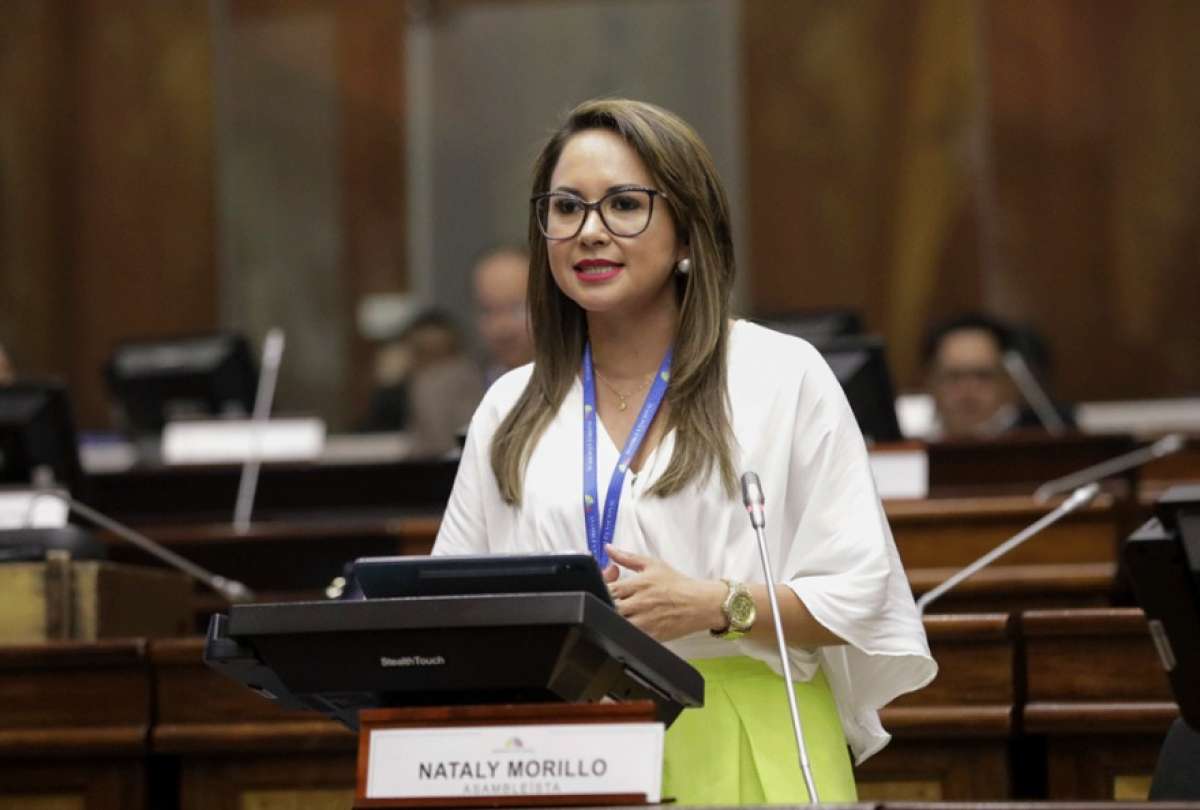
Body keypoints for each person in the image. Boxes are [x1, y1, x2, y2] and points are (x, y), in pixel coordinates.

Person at [433, 99, 935, 803]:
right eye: (567, 208)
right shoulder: (509, 406)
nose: (591, 232)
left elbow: (861, 598)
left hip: (740, 729)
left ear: (689, 234)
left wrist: (716, 604)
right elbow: (448, 605)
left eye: (625, 205)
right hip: (557, 747)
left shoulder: (780, 375)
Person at [922, 312, 1072, 439]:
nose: (968, 390)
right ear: (930, 384)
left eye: (983, 376)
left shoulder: (1040, 447)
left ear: (1010, 385)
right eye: (954, 377)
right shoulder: (909, 453)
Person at [472, 245, 534, 382]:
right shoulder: (467, 392)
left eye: (518, 310)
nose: (502, 327)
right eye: (487, 311)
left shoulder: (582, 386)